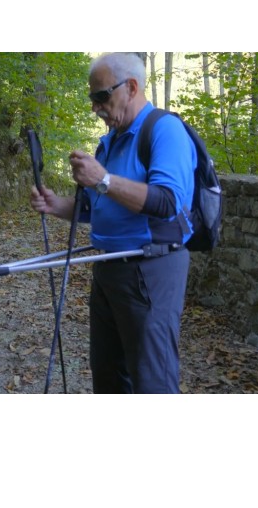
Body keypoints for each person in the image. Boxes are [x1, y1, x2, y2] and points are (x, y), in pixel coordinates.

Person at [30, 52, 196, 394]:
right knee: (107, 376)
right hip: (107, 269)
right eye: (92, 98)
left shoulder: (165, 130)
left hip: (151, 269)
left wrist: (103, 178)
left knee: (152, 380)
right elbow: (96, 208)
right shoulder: (109, 142)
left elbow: (166, 202)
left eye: (101, 96)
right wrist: (57, 205)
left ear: (131, 87)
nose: (95, 107)